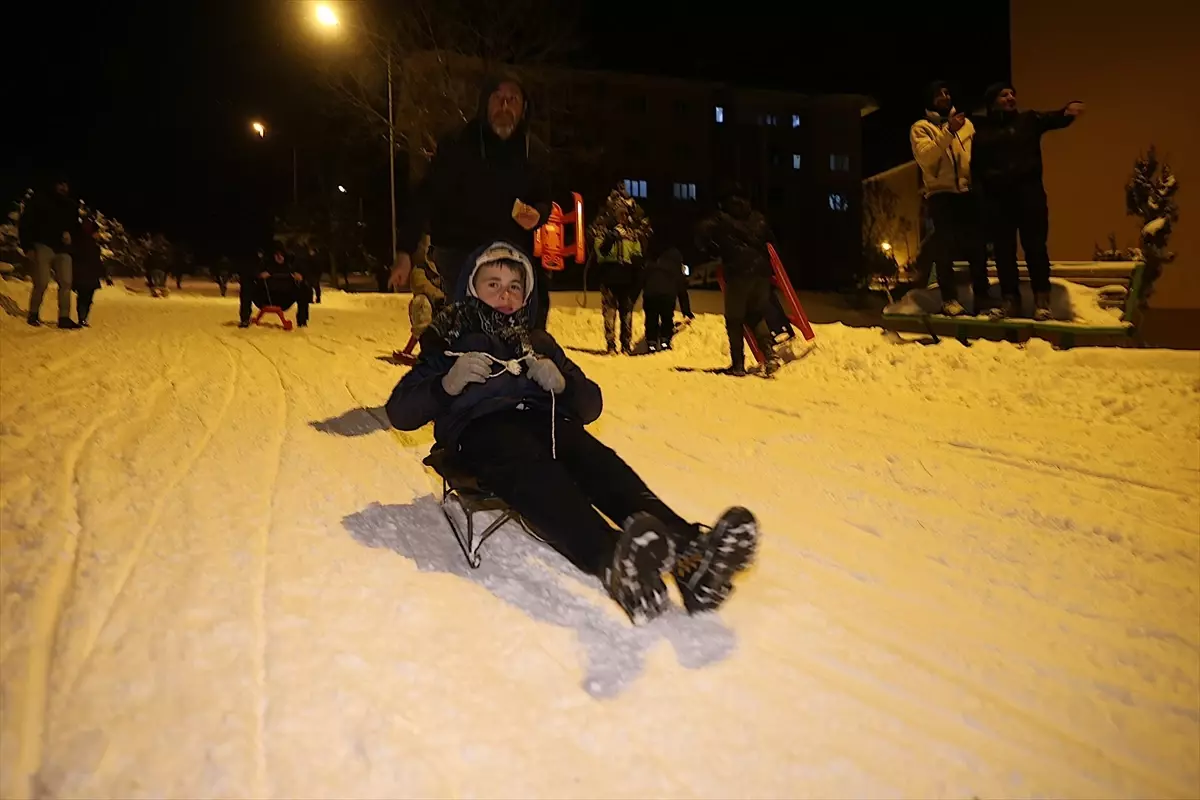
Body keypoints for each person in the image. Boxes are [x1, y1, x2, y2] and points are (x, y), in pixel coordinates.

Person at [385, 241, 760, 624]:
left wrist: (561, 382)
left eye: (515, 285)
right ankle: (615, 562)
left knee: (598, 463)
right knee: (534, 471)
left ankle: (693, 561)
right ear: (471, 288)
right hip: (482, 431)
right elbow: (399, 410)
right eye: (493, 283)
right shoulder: (447, 341)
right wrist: (446, 384)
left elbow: (591, 405)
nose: (506, 294)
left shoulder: (540, 342)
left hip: (546, 424)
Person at [390, 75, 552, 326]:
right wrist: (405, 251)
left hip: (512, 251)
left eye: (513, 99)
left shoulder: (533, 150)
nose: (505, 107)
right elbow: (426, 195)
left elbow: (544, 198)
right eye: (498, 99)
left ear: (523, 109)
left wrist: (538, 214)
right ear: (485, 104)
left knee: (531, 315)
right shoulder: (458, 143)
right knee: (469, 325)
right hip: (459, 252)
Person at [973, 82, 1085, 320]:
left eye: (1012, 94)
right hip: (998, 201)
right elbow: (975, 166)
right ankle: (1010, 301)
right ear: (992, 101)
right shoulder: (981, 131)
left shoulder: (1028, 121)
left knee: (1035, 248)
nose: (1011, 97)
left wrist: (1066, 112)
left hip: (1029, 196)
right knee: (1004, 253)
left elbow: (1051, 119)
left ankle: (1042, 302)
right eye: (1004, 95)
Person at [909, 80, 993, 316]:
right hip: (941, 193)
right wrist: (948, 132)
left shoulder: (967, 126)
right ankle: (949, 299)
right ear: (930, 100)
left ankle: (983, 298)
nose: (945, 97)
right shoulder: (921, 128)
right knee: (944, 247)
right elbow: (926, 158)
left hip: (968, 192)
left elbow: (977, 156)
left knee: (977, 247)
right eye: (939, 94)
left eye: (947, 92)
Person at [695, 185, 780, 377]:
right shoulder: (758, 218)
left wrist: (712, 249)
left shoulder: (722, 218)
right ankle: (770, 356)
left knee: (734, 319)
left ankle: (738, 365)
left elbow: (701, 231)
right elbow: (773, 242)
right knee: (756, 315)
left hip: (738, 272)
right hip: (761, 273)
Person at [591, 184, 652, 354]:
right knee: (609, 313)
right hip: (609, 277)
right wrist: (610, 240)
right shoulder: (603, 231)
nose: (623, 217)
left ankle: (626, 345)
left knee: (627, 313)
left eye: (625, 213)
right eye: (620, 213)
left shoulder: (630, 232)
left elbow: (636, 251)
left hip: (627, 278)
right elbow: (600, 253)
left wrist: (638, 261)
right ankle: (611, 345)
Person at [18, 176, 80, 328]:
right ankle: (33, 314)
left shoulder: (70, 205)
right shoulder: (40, 200)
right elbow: (25, 224)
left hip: (63, 249)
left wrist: (71, 236)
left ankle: (64, 317)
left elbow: (75, 228)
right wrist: (28, 247)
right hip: (43, 245)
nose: (63, 188)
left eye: (65, 184)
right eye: (60, 184)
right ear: (53, 185)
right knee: (41, 282)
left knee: (66, 283)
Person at [238, 243, 311, 328]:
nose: (279, 257)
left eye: (281, 254)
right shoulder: (265, 263)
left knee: (305, 288)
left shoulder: (291, 264)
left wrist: (300, 278)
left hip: (285, 298)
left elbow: (305, 276)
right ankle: (245, 319)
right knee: (247, 286)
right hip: (265, 298)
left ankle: (302, 321)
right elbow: (251, 274)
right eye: (276, 254)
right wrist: (259, 275)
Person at [641, 245, 694, 352]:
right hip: (667, 296)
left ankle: (652, 343)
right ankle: (665, 342)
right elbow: (682, 291)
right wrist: (686, 311)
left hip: (650, 294)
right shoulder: (675, 269)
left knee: (651, 318)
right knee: (667, 318)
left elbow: (641, 280)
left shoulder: (651, 265)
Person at [73, 218, 104, 326]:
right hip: (88, 276)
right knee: (86, 298)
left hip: (84, 275)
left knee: (84, 297)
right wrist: (102, 273)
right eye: (97, 232)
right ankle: (82, 317)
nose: (98, 234)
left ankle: (82, 317)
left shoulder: (83, 243)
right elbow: (96, 261)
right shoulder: (90, 245)